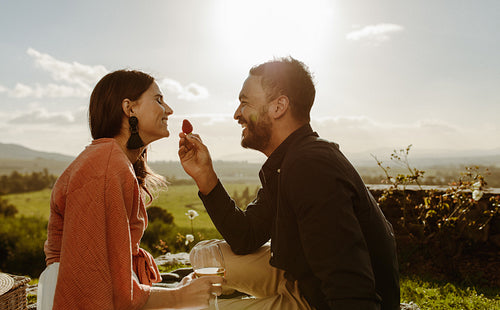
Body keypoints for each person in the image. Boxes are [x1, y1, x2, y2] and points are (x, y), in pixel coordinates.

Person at [178, 57, 400, 310]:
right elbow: (246, 236)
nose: (236, 114)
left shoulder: (311, 167)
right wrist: (205, 176)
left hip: (320, 302)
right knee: (203, 255)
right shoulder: (288, 162)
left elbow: (350, 285)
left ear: (278, 107)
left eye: (245, 102)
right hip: (302, 277)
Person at [38, 69, 223, 310]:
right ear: (129, 108)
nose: (169, 110)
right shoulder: (104, 167)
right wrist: (181, 296)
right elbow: (96, 285)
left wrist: (179, 291)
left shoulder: (112, 160)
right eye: (158, 99)